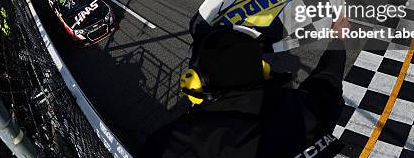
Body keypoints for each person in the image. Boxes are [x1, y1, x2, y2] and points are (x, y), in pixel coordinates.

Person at [141, 17, 350, 158]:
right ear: (263, 69)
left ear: (196, 80)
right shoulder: (302, 106)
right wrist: (339, 40)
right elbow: (327, 82)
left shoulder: (173, 142)